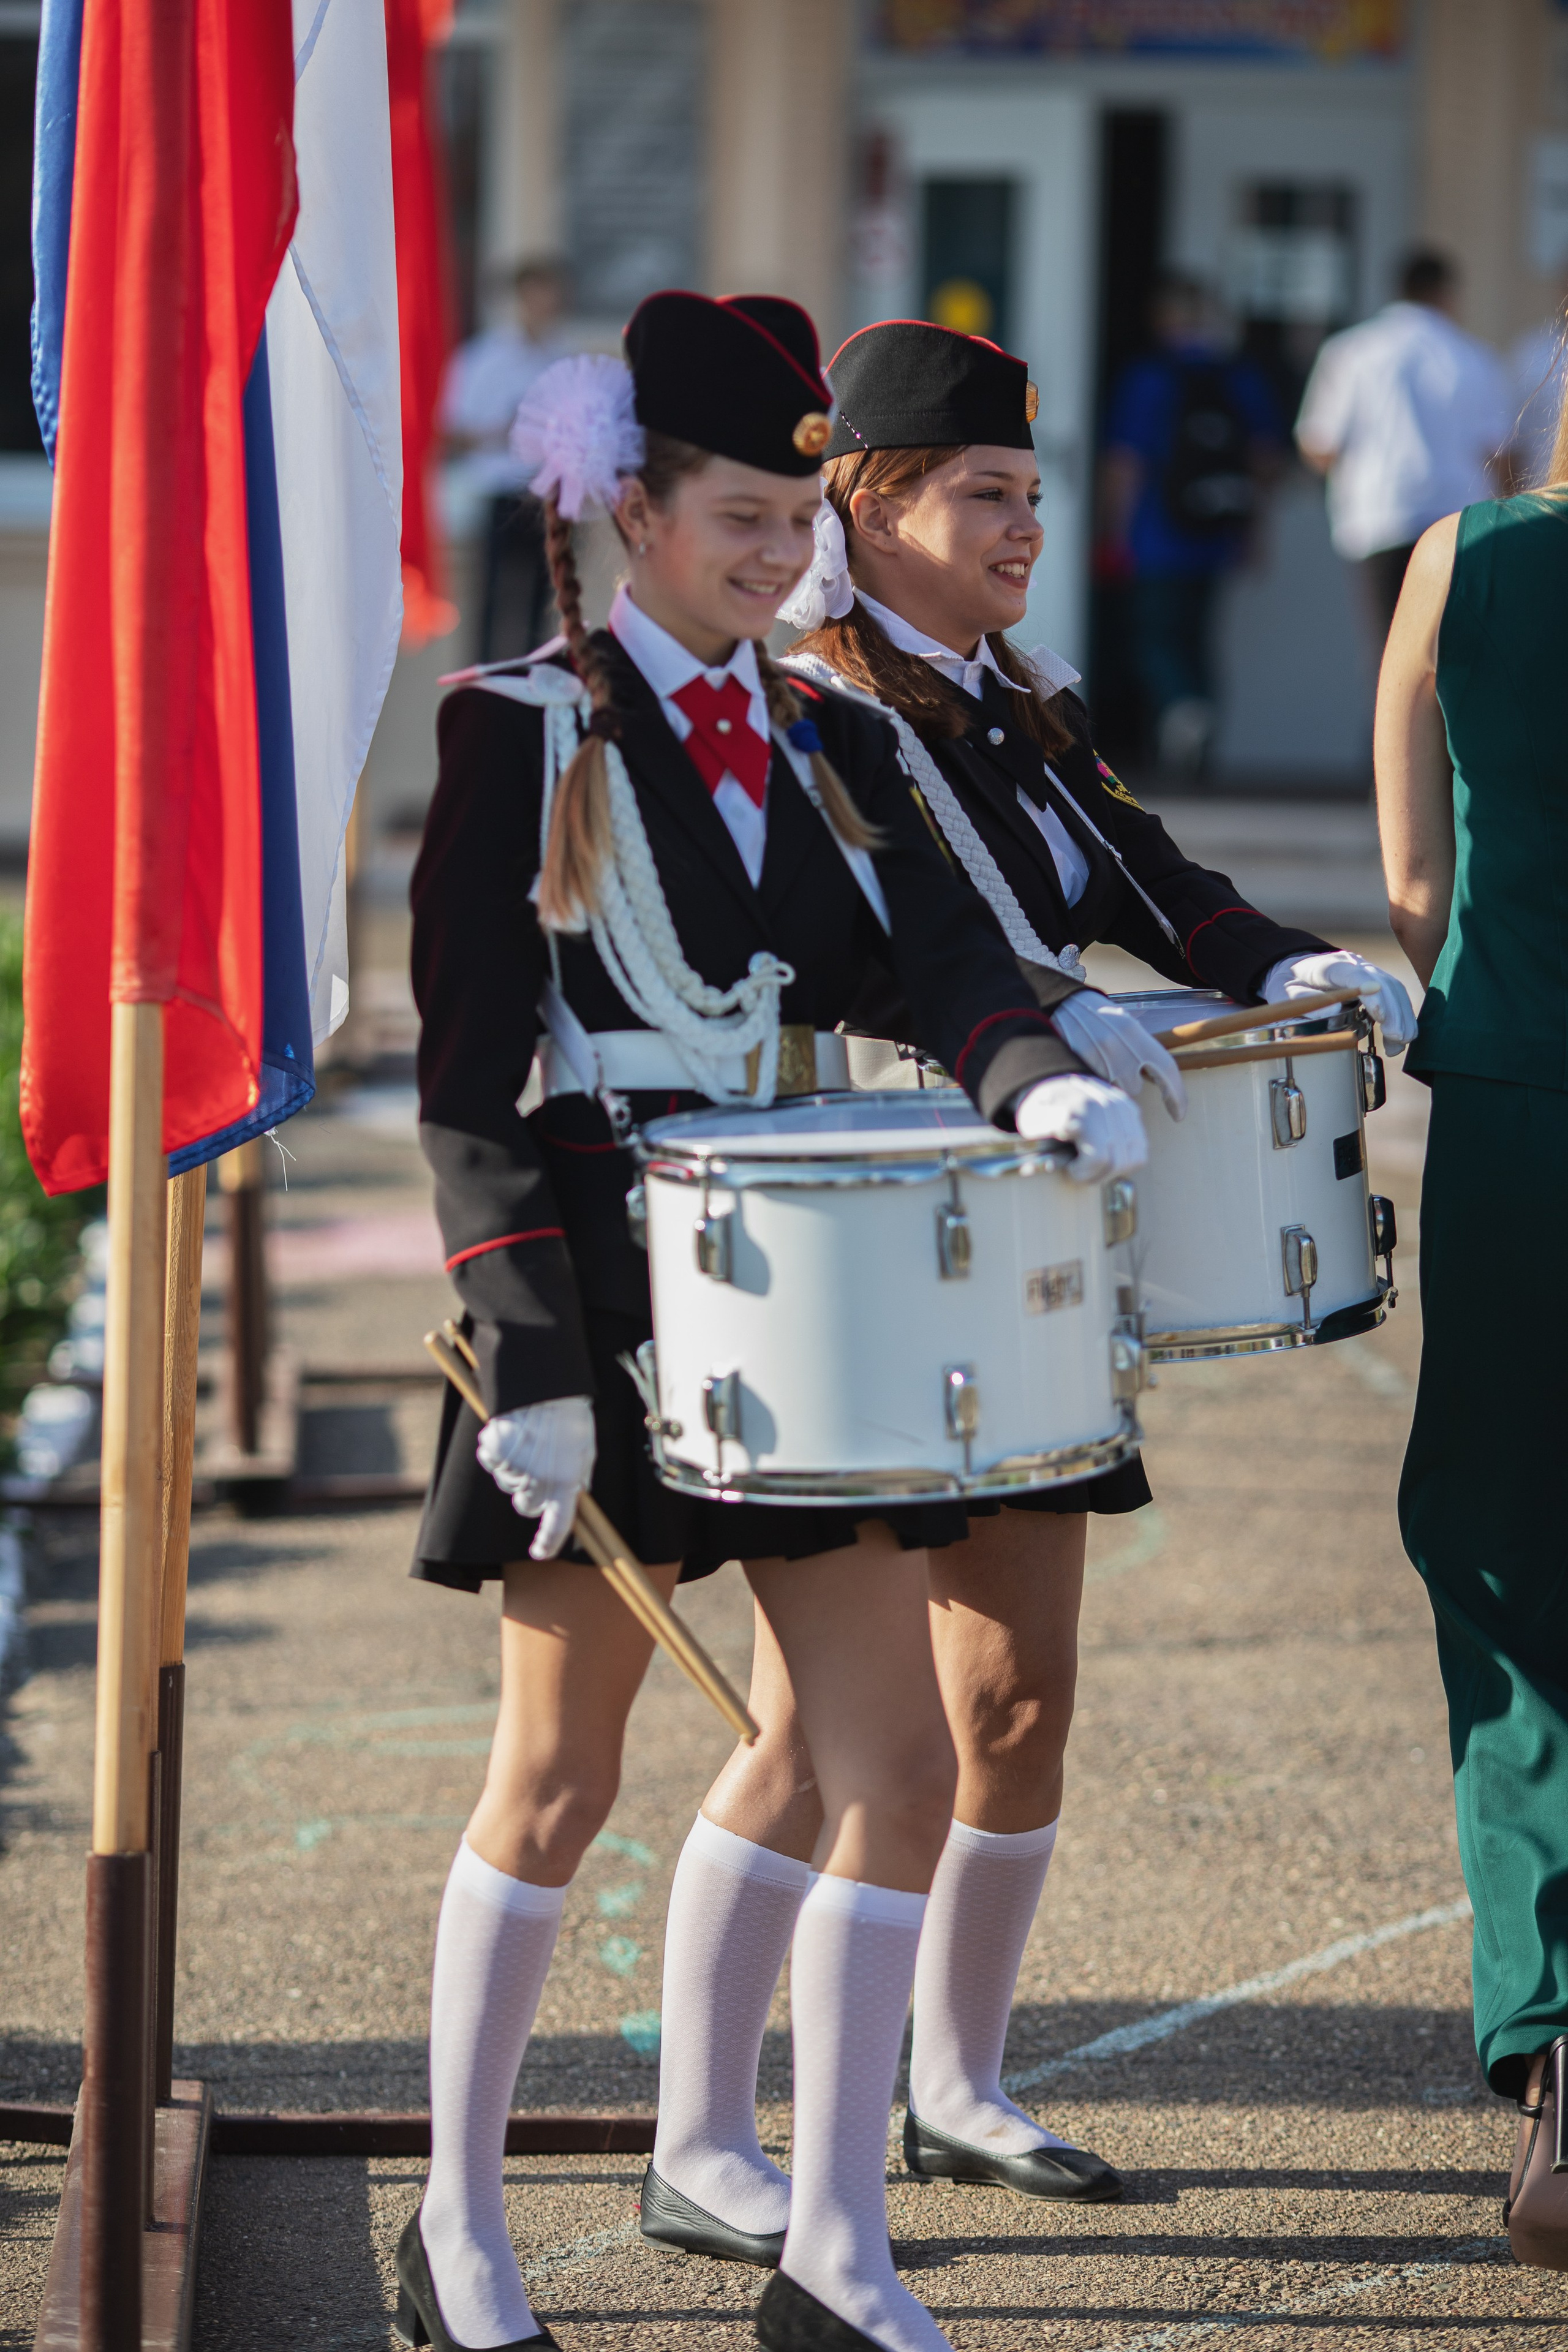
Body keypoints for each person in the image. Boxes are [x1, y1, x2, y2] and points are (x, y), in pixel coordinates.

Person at [400, 288, 1150, 2352]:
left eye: (789, 524)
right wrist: (526, 1370)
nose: (778, 559)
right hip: (595, 1297)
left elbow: (931, 960)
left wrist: (1039, 1062)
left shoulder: (821, 735)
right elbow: (465, 1088)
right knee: (556, 1778)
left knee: (888, 1757)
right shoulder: (517, 725)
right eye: (740, 518)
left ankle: (832, 2242)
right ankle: (456, 2220)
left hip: (799, 1295)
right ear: (629, 511)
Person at [637, 316, 1418, 2270]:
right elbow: (931, 945)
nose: (1020, 531)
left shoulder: (1011, 699)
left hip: (1029, 1227)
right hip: (870, 1241)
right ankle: (694, 2127)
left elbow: (1149, 883)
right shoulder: (816, 703)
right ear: (868, 505)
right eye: (983, 495)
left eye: (1031, 499)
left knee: (1017, 1694)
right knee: (831, 1732)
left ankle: (953, 2079)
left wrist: (1289, 963)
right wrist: (1052, 1017)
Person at [1378, 379, 1568, 2274]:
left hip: (1518, 1091)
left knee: (1508, 1549)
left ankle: (1544, 2022)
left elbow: (1412, 880)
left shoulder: (1463, 554)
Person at [1098, 270, 1286, 774]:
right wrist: (1254, 528)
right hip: (1217, 532)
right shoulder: (1238, 378)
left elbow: (1125, 463)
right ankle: (1196, 747)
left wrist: (1114, 531)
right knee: (1199, 638)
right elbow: (1265, 459)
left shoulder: (1149, 378)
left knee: (1156, 638)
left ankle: (1181, 710)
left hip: (1156, 536)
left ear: (1163, 320)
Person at [1296, 247, 1513, 654]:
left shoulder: (1351, 352)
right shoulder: (1473, 356)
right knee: (1450, 658)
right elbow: (1500, 452)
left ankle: (1388, 721)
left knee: (1390, 655)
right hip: (1460, 522)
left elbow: (1318, 445)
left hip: (1381, 517)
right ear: (1447, 294)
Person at [440, 257, 575, 663]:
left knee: (545, 608)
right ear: (519, 297)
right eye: (535, 292)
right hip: (502, 495)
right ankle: (483, 692)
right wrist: (508, 430)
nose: (544, 303)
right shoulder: (482, 360)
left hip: (549, 499)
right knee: (494, 603)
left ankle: (535, 698)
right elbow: (452, 433)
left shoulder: (563, 360)